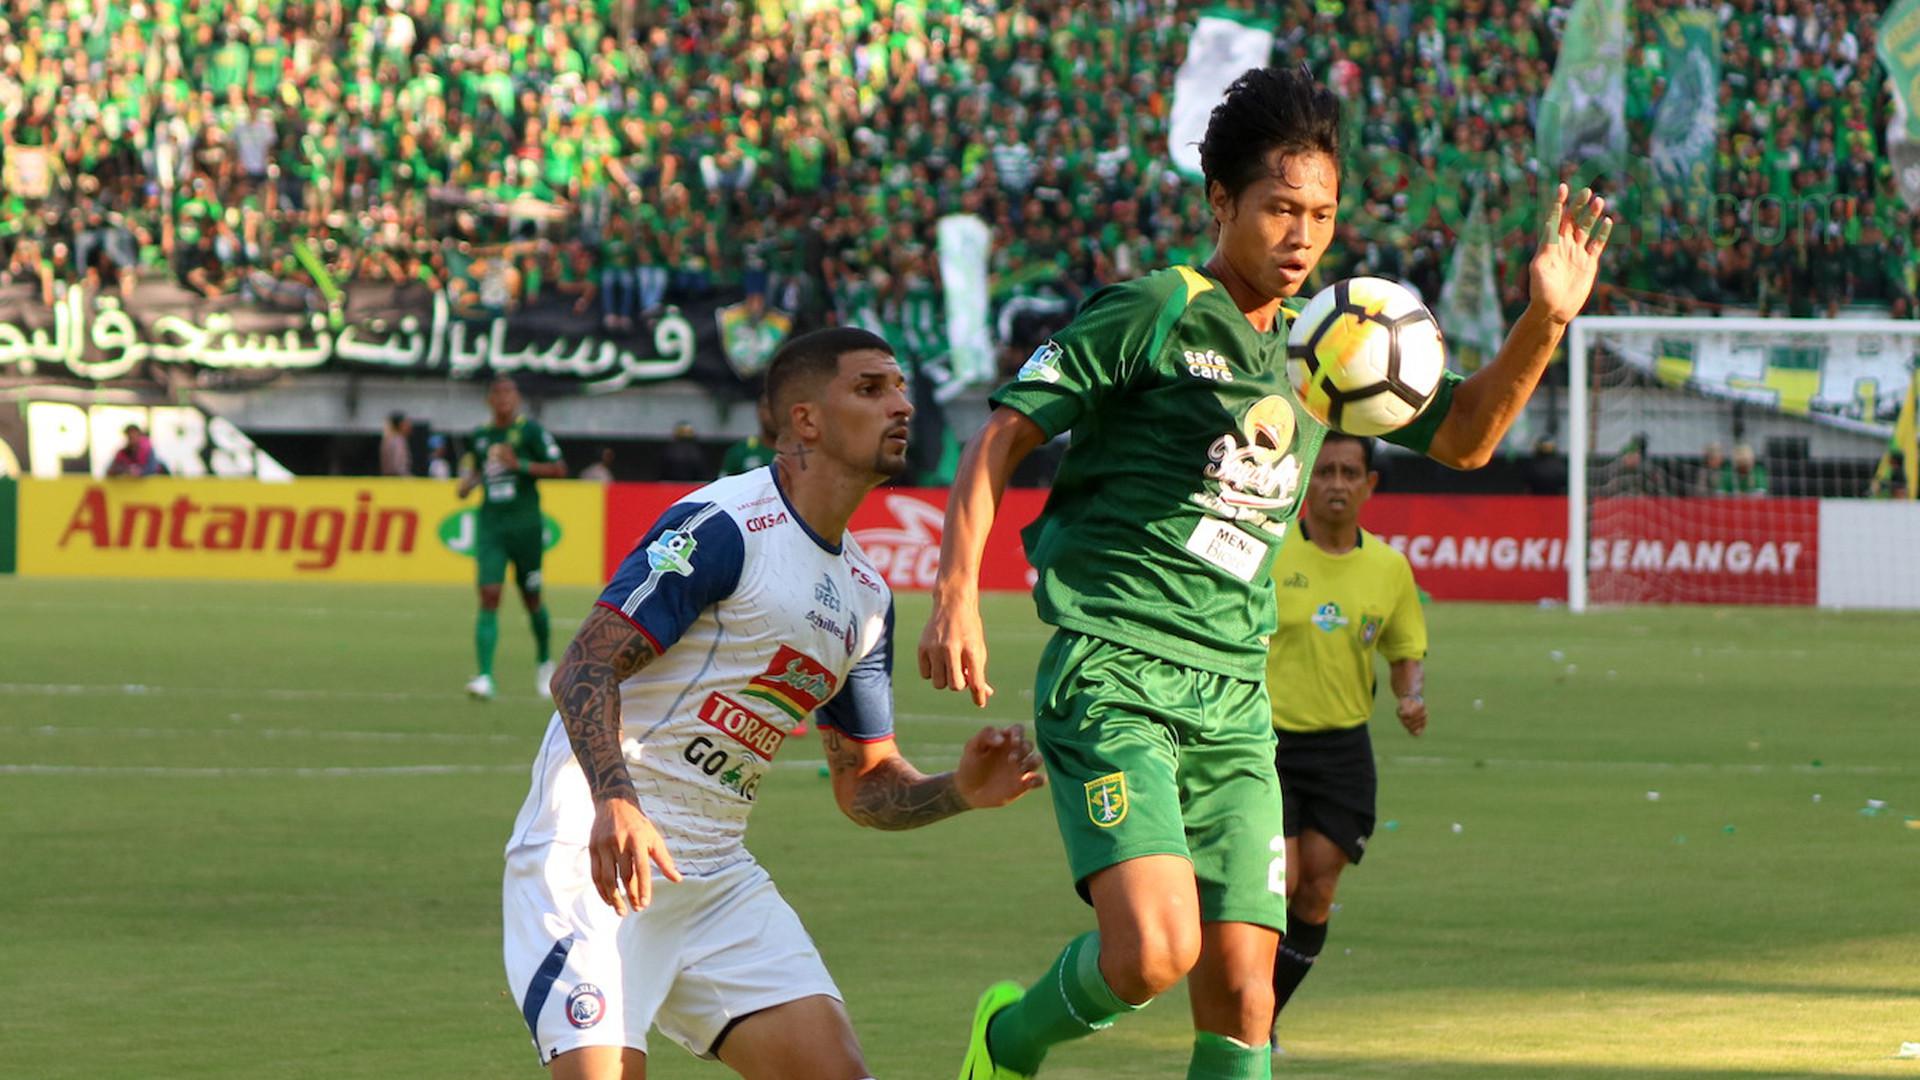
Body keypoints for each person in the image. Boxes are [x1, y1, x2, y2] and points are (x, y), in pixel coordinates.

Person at [918, 66, 1610, 1079]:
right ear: (1221, 202)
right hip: (1116, 671)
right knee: (1151, 954)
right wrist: (956, 595)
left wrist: (1545, 319)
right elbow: (1003, 437)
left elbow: (1467, 436)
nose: (1303, 236)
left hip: (1238, 703)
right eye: (1282, 208)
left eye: (1322, 214)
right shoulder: (1156, 310)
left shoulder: (1329, 350)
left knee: (1248, 1000)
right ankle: (1005, 1041)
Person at [503, 327, 1046, 1080]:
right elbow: (583, 668)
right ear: (805, 421)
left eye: (899, 388)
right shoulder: (725, 527)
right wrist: (616, 802)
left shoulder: (866, 596)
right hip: (594, 854)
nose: (901, 405)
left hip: (714, 879)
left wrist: (958, 791)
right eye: (871, 389)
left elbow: (865, 783)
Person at [1262, 433, 1428, 1042]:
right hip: (1266, 744)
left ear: (1369, 484)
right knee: (1280, 884)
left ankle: (1263, 1016)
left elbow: (1405, 650)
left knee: (1317, 892)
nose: (1336, 483)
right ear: (1306, 481)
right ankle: (1243, 1011)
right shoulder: (1269, 552)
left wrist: (1410, 695)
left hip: (1342, 750)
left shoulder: (1388, 568)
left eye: (1349, 472)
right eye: (1325, 470)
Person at [457, 377, 568, 701]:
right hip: (492, 526)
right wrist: (467, 484)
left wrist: (519, 464)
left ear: (517, 398)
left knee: (532, 598)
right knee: (489, 594)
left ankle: (545, 663)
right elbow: (476, 471)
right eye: (498, 393)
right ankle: (484, 676)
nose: (504, 398)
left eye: (509, 392)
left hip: (525, 526)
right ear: (489, 399)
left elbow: (559, 468)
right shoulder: (480, 436)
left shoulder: (530, 431)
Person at [720, 400, 779, 477]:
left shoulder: (793, 453)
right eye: (768, 407)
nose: (774, 413)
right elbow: (723, 483)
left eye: (777, 407)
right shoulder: (740, 451)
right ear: (759, 411)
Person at [381, 411, 414, 477]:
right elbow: (399, 467)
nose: (410, 426)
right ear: (401, 424)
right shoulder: (398, 440)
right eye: (407, 423)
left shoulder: (389, 439)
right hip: (397, 479)